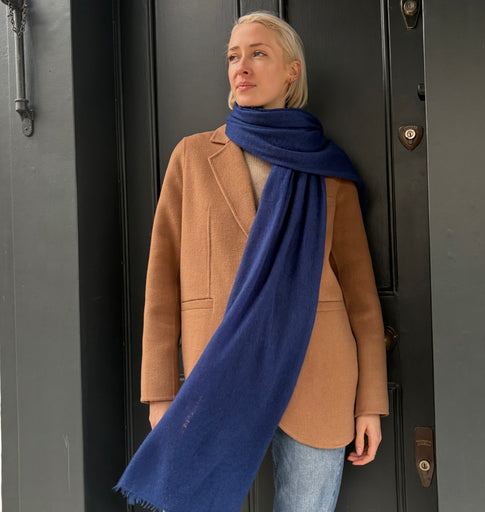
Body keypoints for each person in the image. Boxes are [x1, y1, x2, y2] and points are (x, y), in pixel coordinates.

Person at [116, 11, 389, 512]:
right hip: (216, 369)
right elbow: (162, 287)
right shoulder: (192, 157)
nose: (241, 67)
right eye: (233, 56)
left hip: (317, 370)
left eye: (258, 53)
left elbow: (361, 298)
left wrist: (370, 401)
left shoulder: (326, 168)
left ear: (291, 71)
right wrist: (160, 392)